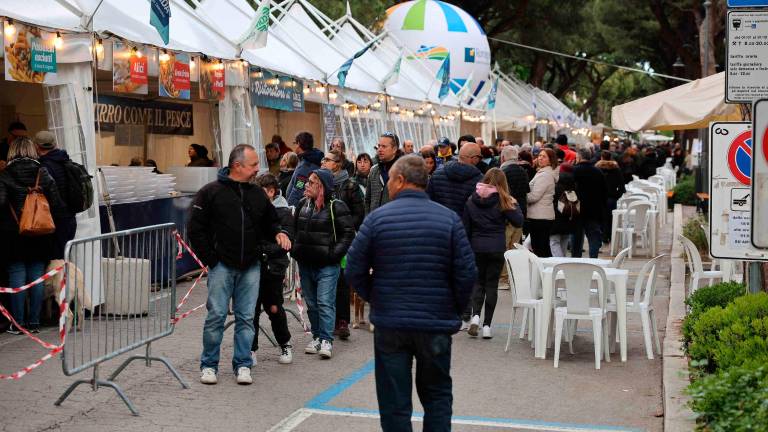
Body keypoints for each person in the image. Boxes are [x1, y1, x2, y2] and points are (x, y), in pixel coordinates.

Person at [345, 155, 476, 432]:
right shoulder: (449, 220)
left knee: (394, 402)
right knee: (438, 395)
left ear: (401, 180)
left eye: (390, 179)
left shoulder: (377, 220)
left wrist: (375, 297)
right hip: (435, 323)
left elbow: (354, 268)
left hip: (391, 324)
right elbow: (466, 273)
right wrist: (452, 307)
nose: (388, 185)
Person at [188, 144, 290, 385]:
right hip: (222, 266)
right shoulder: (210, 192)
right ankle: (209, 365)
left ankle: (243, 364)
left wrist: (278, 233)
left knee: (246, 317)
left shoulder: (257, 195)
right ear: (237, 166)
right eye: (253, 164)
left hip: (251, 266)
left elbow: (271, 222)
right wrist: (211, 260)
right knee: (216, 316)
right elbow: (195, 229)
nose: (257, 169)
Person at [0, 137, 65, 334]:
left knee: (17, 276)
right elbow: (57, 203)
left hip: (13, 234)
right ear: (31, 150)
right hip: (40, 233)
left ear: (12, 152)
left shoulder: (5, 175)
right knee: (36, 275)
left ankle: (18, 324)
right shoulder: (42, 173)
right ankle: (35, 322)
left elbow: (1, 203)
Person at [292, 169, 355, 359]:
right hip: (305, 263)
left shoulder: (337, 206)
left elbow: (348, 233)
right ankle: (317, 337)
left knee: (325, 302)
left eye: (312, 182)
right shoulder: (303, 204)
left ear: (322, 186)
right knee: (311, 303)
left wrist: (333, 255)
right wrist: (295, 251)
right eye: (308, 182)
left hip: (327, 265)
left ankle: (327, 339)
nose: (307, 185)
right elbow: (294, 230)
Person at [462, 168, 523, 338]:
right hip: (496, 247)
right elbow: (518, 222)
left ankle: (475, 317)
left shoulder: (471, 200)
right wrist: (514, 204)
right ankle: (487, 326)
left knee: (478, 283)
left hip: (476, 247)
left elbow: (465, 228)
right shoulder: (504, 200)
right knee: (491, 285)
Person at [250, 174, 294, 365]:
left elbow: (285, 241)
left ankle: (285, 343)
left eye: (260, 192)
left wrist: (262, 250)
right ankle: (250, 349)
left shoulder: (283, 211)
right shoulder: (253, 210)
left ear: (271, 191)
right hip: (254, 266)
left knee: (274, 307)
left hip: (274, 267)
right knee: (251, 309)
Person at [322, 149, 365, 340]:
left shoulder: (350, 185)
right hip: (324, 239)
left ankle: (342, 321)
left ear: (337, 164)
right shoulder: (322, 183)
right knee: (325, 281)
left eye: (327, 160)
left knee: (341, 281)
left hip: (344, 239)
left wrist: (345, 227)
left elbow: (358, 213)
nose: (323, 161)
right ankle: (327, 321)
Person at [34, 131, 78, 260]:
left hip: (54, 221)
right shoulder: (66, 161)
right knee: (62, 260)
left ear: (36, 146)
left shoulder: (43, 167)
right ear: (55, 144)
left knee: (54, 262)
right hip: (70, 218)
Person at [426, 142, 483, 217]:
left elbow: (428, 201)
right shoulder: (479, 180)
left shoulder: (437, 174)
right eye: (480, 157)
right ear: (474, 158)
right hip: (463, 226)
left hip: (439, 222)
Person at [571, 148, 607, 258]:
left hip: (577, 209)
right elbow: (605, 192)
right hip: (594, 210)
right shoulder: (598, 172)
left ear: (579, 157)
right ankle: (593, 259)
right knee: (593, 237)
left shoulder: (574, 171)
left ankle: (576, 260)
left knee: (576, 237)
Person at [526, 148, 558, 258]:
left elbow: (534, 196)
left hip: (540, 216)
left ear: (551, 160)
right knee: (541, 247)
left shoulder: (545, 175)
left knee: (540, 248)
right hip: (541, 215)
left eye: (544, 156)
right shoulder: (543, 172)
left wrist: (521, 197)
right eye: (539, 155)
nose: (540, 158)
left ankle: (546, 271)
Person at [365, 132, 402, 214]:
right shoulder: (374, 170)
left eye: (384, 146)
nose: (380, 150)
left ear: (394, 149)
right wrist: (368, 218)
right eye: (379, 146)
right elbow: (367, 200)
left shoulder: (403, 172)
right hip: (375, 222)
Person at [499, 146, 530, 246]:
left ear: (503, 158)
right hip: (520, 213)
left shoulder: (502, 172)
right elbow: (526, 191)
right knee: (516, 247)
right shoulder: (523, 171)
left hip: (506, 214)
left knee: (505, 247)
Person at [286, 131, 324, 207]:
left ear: (299, 144)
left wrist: (289, 208)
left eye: (295, 143)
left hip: (299, 207)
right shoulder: (307, 159)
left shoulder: (306, 165)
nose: (294, 146)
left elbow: (298, 190)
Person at [596, 151, 626, 243]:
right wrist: (616, 196)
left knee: (600, 218)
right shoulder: (616, 169)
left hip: (599, 197)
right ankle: (609, 236)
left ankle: (602, 236)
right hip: (611, 198)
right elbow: (621, 186)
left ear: (601, 157)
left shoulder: (597, 169)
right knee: (611, 218)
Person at [549, 164, 578, 257]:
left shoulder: (556, 186)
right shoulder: (573, 186)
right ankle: (563, 261)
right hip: (569, 218)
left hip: (556, 218)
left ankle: (559, 262)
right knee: (564, 239)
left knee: (554, 241)